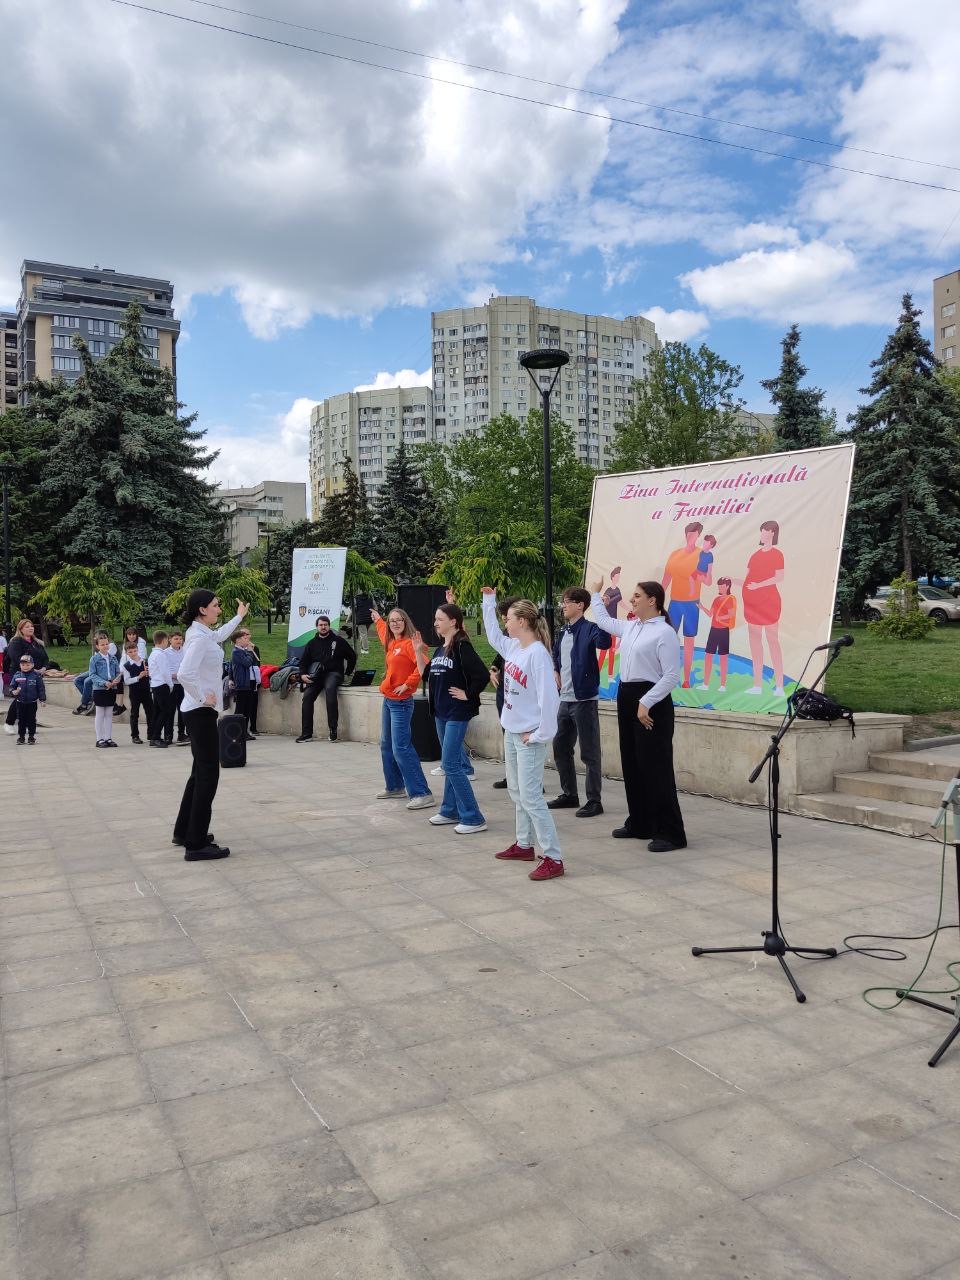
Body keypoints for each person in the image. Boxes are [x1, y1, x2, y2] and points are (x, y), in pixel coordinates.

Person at [589, 575, 686, 852]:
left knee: (655, 767)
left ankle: (671, 833)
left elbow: (671, 676)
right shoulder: (631, 627)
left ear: (652, 601)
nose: (631, 600)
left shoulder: (664, 632)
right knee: (631, 762)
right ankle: (640, 823)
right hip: (627, 696)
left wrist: (646, 702)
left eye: (637, 596)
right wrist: (595, 593)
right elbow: (603, 621)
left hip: (652, 701)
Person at [481, 589, 564, 881]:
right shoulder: (515, 647)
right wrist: (488, 602)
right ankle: (523, 844)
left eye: (510, 619)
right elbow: (493, 635)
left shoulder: (538, 654)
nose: (506, 623)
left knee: (531, 797)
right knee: (517, 793)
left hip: (530, 736)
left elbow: (549, 698)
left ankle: (553, 857)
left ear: (523, 622)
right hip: (513, 732)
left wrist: (541, 734)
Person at [173, 591, 248, 861]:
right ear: (202, 610)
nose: (219, 609)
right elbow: (184, 674)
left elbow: (219, 636)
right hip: (200, 712)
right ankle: (195, 844)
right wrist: (202, 698)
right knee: (207, 776)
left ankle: (185, 832)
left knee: (199, 773)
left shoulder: (203, 633)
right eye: (216, 606)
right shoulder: (198, 638)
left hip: (198, 712)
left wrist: (238, 617)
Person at [420, 601, 489, 834]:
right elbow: (426, 675)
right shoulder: (441, 648)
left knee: (450, 763)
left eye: (440, 619)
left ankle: (473, 817)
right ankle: (450, 810)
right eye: (435, 619)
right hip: (441, 712)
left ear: (453, 622)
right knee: (450, 762)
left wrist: (468, 694)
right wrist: (418, 651)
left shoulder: (462, 646)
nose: (435, 623)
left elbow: (481, 675)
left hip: (457, 712)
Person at [549, 586, 611, 818]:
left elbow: (604, 643)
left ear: (580, 605)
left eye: (567, 602)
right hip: (564, 700)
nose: (563, 605)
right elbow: (556, 654)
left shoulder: (590, 628)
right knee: (560, 748)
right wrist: (555, 669)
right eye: (563, 601)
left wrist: (602, 611)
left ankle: (594, 801)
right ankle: (570, 795)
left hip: (584, 699)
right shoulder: (563, 631)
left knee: (589, 752)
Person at [371, 606, 435, 809]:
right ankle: (395, 786)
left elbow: (424, 664)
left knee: (401, 747)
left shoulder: (409, 644)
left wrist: (408, 684)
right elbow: (383, 631)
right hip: (388, 700)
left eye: (399, 620)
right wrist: (378, 619)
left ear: (405, 622)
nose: (395, 623)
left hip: (401, 703)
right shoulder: (392, 641)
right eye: (392, 620)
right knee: (386, 745)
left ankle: (422, 793)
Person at [736, 520, 786, 696]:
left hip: (769, 603)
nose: (762, 534)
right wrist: (734, 581)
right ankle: (757, 685)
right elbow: (748, 580)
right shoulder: (755, 555)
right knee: (755, 643)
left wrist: (759, 585)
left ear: (772, 532)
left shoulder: (777, 554)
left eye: (765, 531)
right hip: (752, 606)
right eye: (761, 531)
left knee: (773, 641)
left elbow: (779, 577)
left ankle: (779, 686)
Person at [296, 615, 356, 743]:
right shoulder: (311, 643)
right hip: (317, 676)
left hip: (334, 673)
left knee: (330, 691)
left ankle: (333, 730)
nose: (323, 627)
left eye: (325, 625)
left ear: (329, 626)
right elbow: (303, 662)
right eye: (321, 625)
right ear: (316, 627)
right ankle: (306, 734)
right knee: (307, 697)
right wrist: (302, 675)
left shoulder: (338, 641)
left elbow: (352, 656)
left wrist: (347, 672)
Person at [662, 521, 706, 688]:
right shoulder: (675, 554)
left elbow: (705, 577)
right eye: (688, 533)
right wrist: (657, 597)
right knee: (668, 638)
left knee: (689, 640)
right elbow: (666, 578)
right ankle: (666, 675)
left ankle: (686, 679)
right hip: (675, 602)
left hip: (692, 603)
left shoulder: (702, 554)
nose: (690, 536)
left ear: (698, 535)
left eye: (694, 533)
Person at [4, 620, 60, 734]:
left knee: (30, 699)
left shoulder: (36, 642)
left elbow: (45, 658)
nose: (31, 628)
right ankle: (9, 723)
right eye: (27, 627)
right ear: (21, 629)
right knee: (20, 699)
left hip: (34, 675)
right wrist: (32, 669)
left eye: (31, 626)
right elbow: (17, 658)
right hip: (19, 674)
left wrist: (44, 668)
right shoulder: (16, 642)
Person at [697, 577, 736, 692]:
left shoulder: (730, 599)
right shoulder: (716, 599)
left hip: (724, 630)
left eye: (721, 586)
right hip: (713, 630)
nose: (719, 588)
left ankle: (723, 685)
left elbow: (732, 614)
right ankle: (705, 684)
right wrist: (702, 607)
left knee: (723, 658)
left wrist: (721, 618)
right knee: (708, 656)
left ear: (727, 586)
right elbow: (710, 614)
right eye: (719, 586)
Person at [88, 632, 122, 748]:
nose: (105, 646)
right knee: (100, 714)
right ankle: (100, 739)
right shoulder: (94, 659)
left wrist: (116, 680)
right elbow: (92, 675)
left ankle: (108, 738)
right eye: (102, 644)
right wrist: (104, 682)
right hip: (100, 689)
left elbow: (117, 672)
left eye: (107, 644)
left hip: (112, 688)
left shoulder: (113, 658)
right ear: (97, 646)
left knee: (109, 714)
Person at [230, 628, 260, 741]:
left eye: (247, 638)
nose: (247, 640)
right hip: (242, 684)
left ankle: (244, 732)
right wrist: (250, 651)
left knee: (247, 709)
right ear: (238, 640)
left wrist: (249, 651)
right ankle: (236, 732)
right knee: (240, 709)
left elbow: (255, 662)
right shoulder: (237, 652)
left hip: (249, 683)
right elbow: (247, 663)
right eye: (244, 638)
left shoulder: (243, 651)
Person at [120, 640, 152, 744]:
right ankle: (135, 736)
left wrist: (149, 673)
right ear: (126, 653)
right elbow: (127, 681)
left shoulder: (145, 662)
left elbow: (151, 676)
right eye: (130, 652)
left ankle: (151, 734)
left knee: (150, 712)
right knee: (135, 714)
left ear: (137, 650)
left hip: (146, 690)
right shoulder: (126, 666)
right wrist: (138, 677)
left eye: (134, 651)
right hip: (135, 692)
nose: (133, 653)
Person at [9, 653, 45, 744]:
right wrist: (13, 692)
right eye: (23, 665)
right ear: (20, 665)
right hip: (20, 702)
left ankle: (31, 737)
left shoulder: (36, 676)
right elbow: (12, 687)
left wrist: (42, 700)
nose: (25, 667)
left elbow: (41, 689)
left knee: (31, 720)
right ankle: (21, 737)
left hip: (32, 702)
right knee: (21, 720)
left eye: (28, 665)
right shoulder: (17, 675)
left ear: (32, 665)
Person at [147, 630, 174, 748]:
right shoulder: (160, 655)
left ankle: (153, 735)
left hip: (155, 685)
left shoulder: (153, 654)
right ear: (163, 641)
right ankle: (156, 737)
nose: (167, 643)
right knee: (165, 712)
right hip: (162, 685)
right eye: (167, 640)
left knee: (158, 712)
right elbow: (165, 672)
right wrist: (170, 684)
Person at [167, 630, 190, 743]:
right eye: (176, 639)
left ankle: (181, 734)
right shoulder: (165, 653)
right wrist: (172, 675)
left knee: (182, 710)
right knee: (170, 711)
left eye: (180, 639)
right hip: (171, 685)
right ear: (170, 640)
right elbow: (163, 669)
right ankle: (168, 735)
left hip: (183, 685)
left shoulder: (186, 651)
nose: (179, 641)